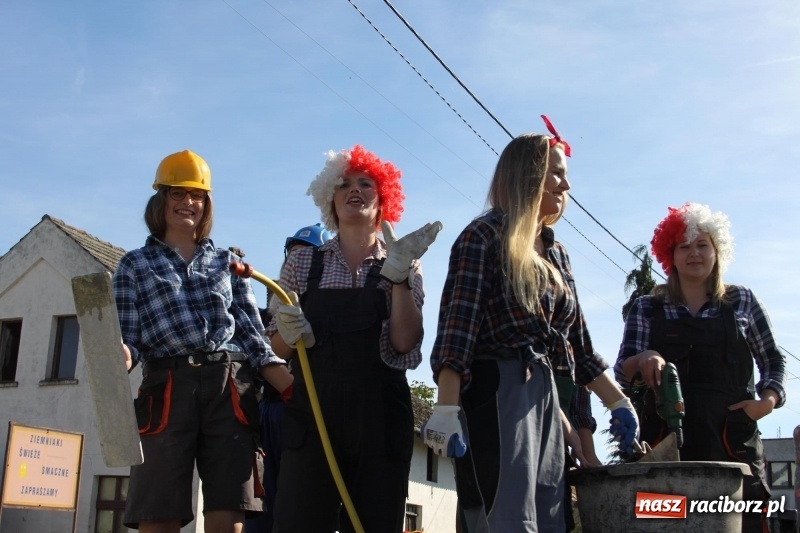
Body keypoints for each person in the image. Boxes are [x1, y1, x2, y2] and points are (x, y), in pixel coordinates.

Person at [422, 117, 639, 532]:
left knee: (549, 514)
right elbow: (456, 331)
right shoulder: (483, 236)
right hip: (496, 391)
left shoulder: (556, 254)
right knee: (505, 516)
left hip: (543, 391)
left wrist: (617, 402)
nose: (566, 185)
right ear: (529, 175)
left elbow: (579, 346)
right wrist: (446, 408)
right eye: (557, 173)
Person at [113, 149, 292, 533]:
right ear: (160, 199)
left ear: (206, 204)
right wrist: (119, 354)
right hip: (166, 386)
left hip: (229, 384)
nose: (188, 203)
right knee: (157, 512)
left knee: (229, 509)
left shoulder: (227, 263)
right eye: (177, 193)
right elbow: (128, 338)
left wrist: (290, 389)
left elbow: (251, 335)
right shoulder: (134, 264)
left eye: (197, 195)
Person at [266, 145, 442, 533]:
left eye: (366, 184)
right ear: (330, 198)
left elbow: (404, 344)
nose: (354, 190)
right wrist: (288, 334)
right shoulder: (302, 262)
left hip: (379, 419)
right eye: (344, 184)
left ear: (383, 200)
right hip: (312, 418)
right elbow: (272, 347)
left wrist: (397, 277)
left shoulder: (405, 260)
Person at [614, 202, 787, 533]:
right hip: (665, 454)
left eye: (702, 245)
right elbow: (622, 373)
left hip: (733, 450)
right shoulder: (647, 307)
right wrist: (644, 358)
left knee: (741, 526)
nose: (694, 253)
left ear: (717, 251)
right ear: (671, 254)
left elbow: (774, 361)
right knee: (665, 525)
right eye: (684, 246)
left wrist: (766, 403)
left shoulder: (743, 301)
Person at [244, 223, 332, 533]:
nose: (296, 262)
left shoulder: (328, 309)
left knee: (302, 502)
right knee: (264, 499)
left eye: (306, 255)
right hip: (272, 411)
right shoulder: (268, 311)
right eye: (292, 254)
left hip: (313, 413)